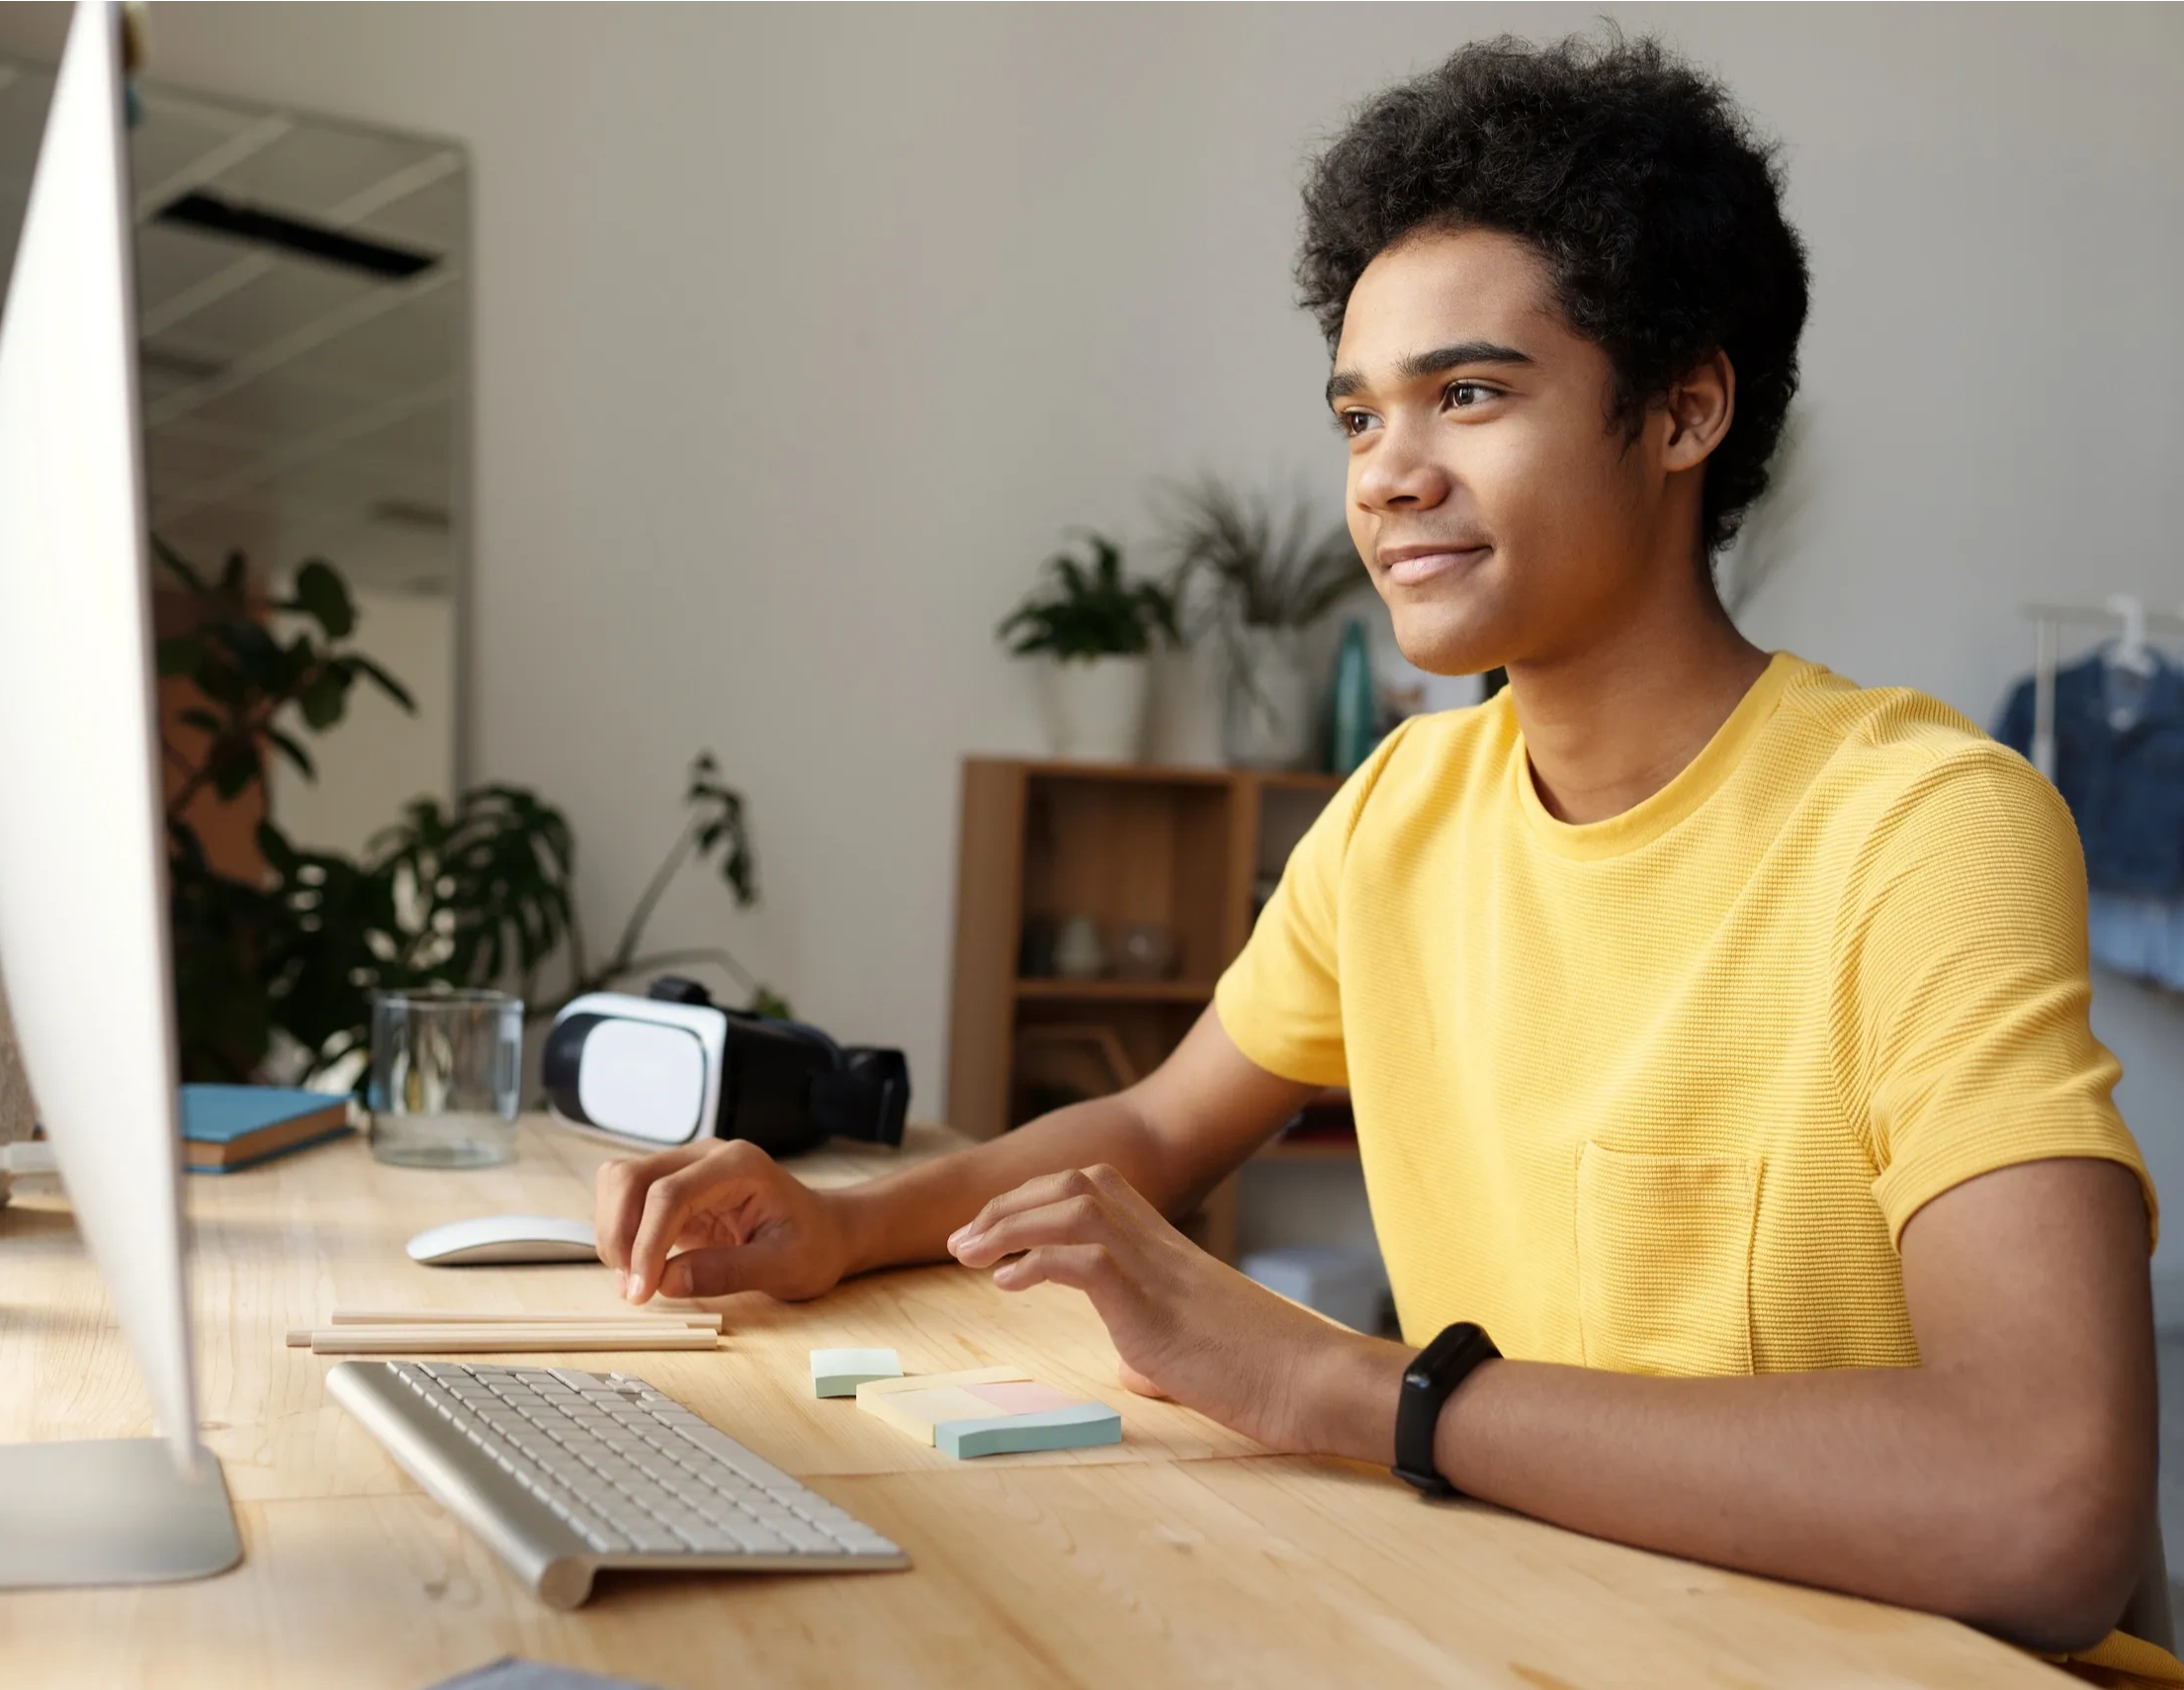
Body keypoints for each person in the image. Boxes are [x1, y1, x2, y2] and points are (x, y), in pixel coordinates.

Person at [595, 33, 2167, 1670]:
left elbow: (2046, 1510)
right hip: (1530, 1624)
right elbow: (1154, 1122)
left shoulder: (1920, 826)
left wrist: (1350, 1387)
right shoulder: (1401, 808)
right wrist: (847, 1227)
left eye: (1470, 394)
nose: (1389, 477)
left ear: (1686, 408)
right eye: (1361, 414)